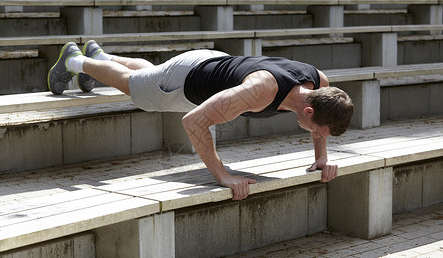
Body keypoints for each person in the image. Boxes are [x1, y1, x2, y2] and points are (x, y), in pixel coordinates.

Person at [48, 41, 354, 200]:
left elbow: (320, 125)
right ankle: (75, 60)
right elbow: (194, 121)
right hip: (187, 81)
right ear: (308, 112)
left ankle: (99, 56)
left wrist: (322, 157)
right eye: (316, 130)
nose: (316, 134)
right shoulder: (260, 90)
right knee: (133, 86)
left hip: (207, 65)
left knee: (151, 75)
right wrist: (223, 176)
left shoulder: (318, 83)